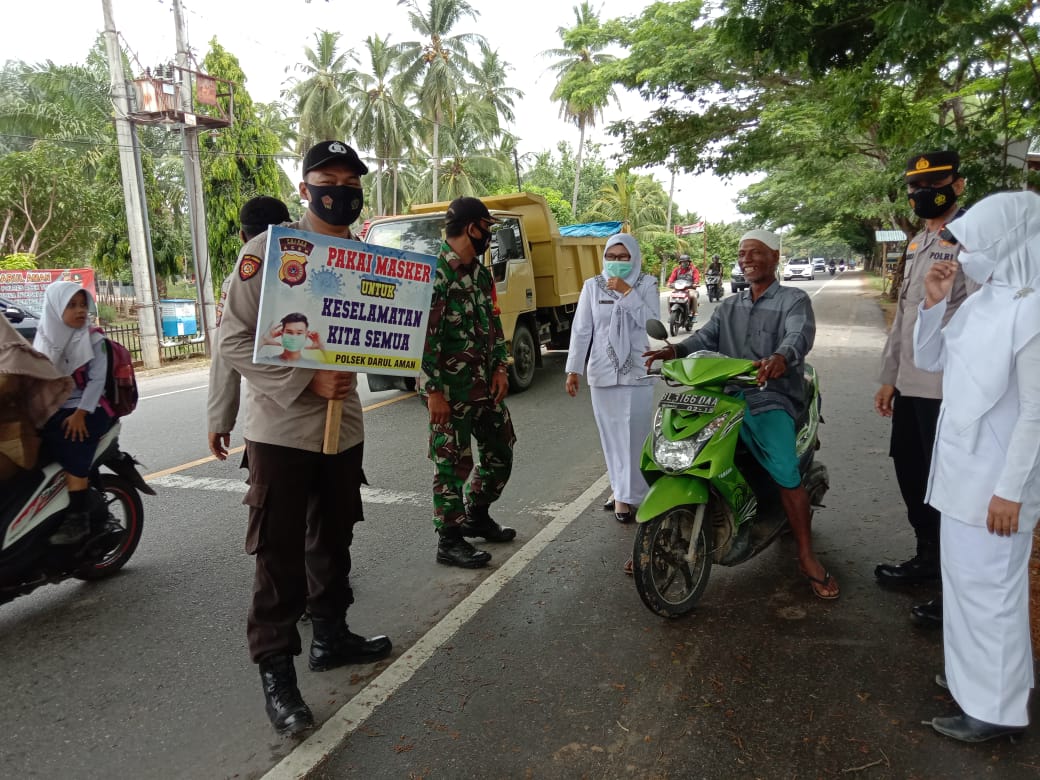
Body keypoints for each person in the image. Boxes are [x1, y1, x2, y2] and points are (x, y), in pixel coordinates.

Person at [218, 140, 391, 736]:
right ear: (304, 187)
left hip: (342, 426)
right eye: (327, 178)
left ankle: (332, 634)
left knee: (336, 533)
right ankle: (277, 672)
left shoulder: (367, 258)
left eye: (350, 179)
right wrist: (304, 375)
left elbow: (376, 332)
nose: (339, 189)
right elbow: (233, 342)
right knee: (280, 551)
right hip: (282, 428)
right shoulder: (266, 254)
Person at [643, 229, 839, 599]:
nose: (746, 259)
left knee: (784, 471)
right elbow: (704, 338)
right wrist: (674, 351)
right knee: (682, 448)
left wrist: (781, 358)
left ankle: (806, 555)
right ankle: (662, 532)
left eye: (755, 253)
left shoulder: (793, 300)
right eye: (742, 253)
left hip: (771, 398)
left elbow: (799, 335)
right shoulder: (731, 306)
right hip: (727, 395)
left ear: (775, 257)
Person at [914, 190, 1040, 743]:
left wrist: (1011, 491)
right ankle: (977, 681)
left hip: (996, 486)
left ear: (1007, 243)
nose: (962, 256)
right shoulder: (989, 298)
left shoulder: (1033, 309)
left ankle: (993, 710)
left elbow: (1037, 411)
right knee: (967, 588)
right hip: (961, 475)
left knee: (991, 593)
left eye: (972, 245)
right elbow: (930, 359)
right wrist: (935, 301)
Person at [873, 151, 976, 627]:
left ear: (958, 185)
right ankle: (929, 558)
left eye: (933, 184)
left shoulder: (973, 240)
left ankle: (957, 583)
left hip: (951, 386)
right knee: (911, 469)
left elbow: (980, 317)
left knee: (949, 486)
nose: (920, 194)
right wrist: (889, 377)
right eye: (915, 186)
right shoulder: (918, 242)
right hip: (913, 382)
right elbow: (905, 319)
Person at [420, 196, 517, 569]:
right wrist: (433, 392)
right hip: (448, 392)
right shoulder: (436, 273)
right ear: (471, 226)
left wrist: (500, 368)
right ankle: (450, 539)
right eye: (487, 228)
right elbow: (423, 338)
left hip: (484, 386)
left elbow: (492, 322)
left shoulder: (479, 271)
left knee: (501, 450)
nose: (489, 236)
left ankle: (477, 514)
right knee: (450, 466)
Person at [565, 234, 658, 552]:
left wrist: (628, 293)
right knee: (611, 436)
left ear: (634, 257)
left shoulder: (647, 283)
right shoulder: (593, 285)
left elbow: (653, 324)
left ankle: (635, 494)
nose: (617, 260)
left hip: (637, 369)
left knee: (636, 436)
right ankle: (621, 493)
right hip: (603, 371)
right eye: (611, 255)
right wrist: (573, 370)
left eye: (624, 255)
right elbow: (582, 329)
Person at [208, 195, 290, 461]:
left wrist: (220, 420)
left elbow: (225, 348)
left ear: (243, 237)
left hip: (270, 422)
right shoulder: (315, 269)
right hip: (334, 415)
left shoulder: (236, 282)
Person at [33, 282, 113, 544]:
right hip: (56, 408)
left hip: (90, 408)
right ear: (55, 309)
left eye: (82, 305)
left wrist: (80, 413)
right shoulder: (44, 338)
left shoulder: (94, 339)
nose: (80, 311)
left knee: (70, 438)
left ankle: (78, 517)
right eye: (71, 305)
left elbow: (97, 381)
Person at [260, 312, 325, 361]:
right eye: (289, 332)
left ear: (306, 335)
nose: (294, 337)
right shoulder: (267, 361)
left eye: (299, 333)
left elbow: (332, 372)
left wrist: (322, 348)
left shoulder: (313, 365)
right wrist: (263, 340)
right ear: (282, 334)